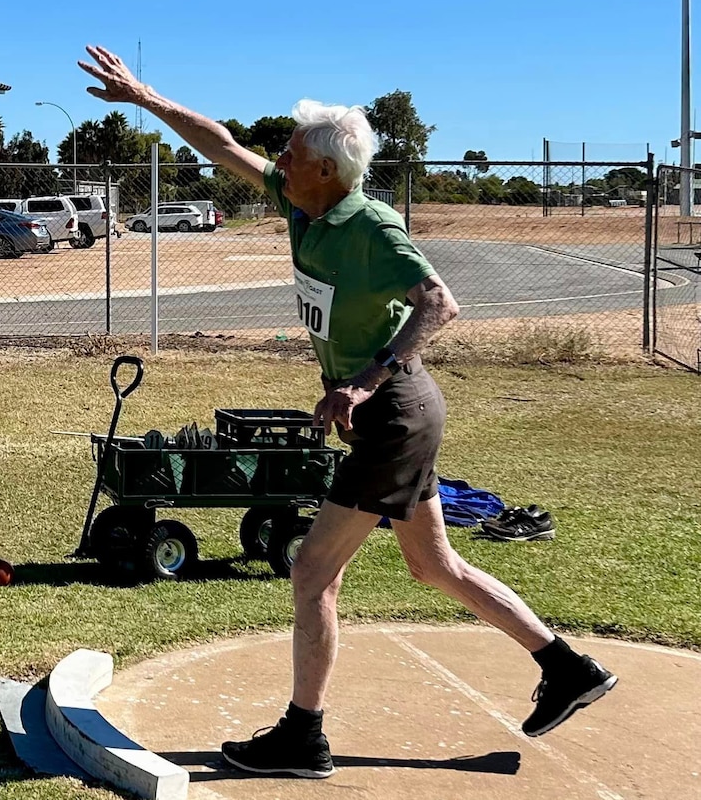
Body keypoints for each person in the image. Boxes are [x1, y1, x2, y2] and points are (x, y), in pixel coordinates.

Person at [79, 45, 618, 779]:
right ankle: (567, 668)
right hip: (401, 415)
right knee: (434, 565)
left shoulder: (370, 226)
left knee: (311, 574)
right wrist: (146, 97)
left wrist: (365, 378)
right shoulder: (302, 204)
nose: (279, 158)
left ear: (326, 169)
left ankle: (303, 737)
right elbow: (224, 144)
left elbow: (440, 303)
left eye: (293, 151)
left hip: (394, 411)